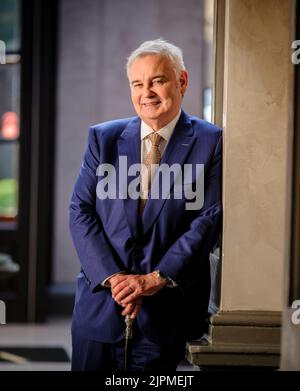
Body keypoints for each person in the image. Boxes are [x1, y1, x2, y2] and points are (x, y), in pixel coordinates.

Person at [69, 38, 222, 371]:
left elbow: (209, 219)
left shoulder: (211, 142)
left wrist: (155, 278)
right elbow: (81, 211)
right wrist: (113, 277)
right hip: (99, 310)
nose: (146, 92)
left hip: (165, 314)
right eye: (138, 84)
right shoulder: (103, 139)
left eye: (157, 80)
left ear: (182, 81)